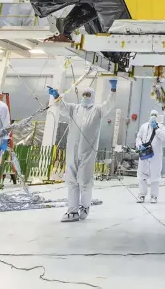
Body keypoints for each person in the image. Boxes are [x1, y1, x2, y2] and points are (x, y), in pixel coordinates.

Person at [48, 80, 118, 222]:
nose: (85, 97)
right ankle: (72, 211)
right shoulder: (74, 109)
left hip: (87, 152)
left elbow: (109, 104)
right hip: (72, 150)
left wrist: (113, 89)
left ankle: (84, 207)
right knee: (72, 181)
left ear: (92, 96)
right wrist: (56, 96)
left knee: (85, 181)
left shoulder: (98, 110)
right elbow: (62, 107)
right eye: (83, 94)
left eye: (88, 94)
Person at [136, 109, 165, 203]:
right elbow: (138, 137)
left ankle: (154, 196)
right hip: (144, 153)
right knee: (142, 175)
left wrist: (156, 128)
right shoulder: (144, 126)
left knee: (155, 176)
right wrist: (139, 145)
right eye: (152, 114)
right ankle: (141, 195)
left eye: (155, 115)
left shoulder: (161, 127)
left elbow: (163, 137)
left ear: (157, 117)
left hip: (155, 155)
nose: (153, 116)